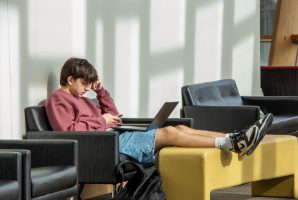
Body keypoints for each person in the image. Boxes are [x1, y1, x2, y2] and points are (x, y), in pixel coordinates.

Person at [45, 57, 273, 164]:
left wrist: (101, 92)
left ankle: (236, 138)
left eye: (89, 85)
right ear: (69, 79)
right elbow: (69, 131)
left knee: (180, 127)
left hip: (113, 137)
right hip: (103, 146)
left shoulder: (82, 97)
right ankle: (233, 143)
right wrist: (102, 122)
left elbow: (113, 115)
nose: (86, 89)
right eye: (84, 84)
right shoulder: (57, 100)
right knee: (170, 134)